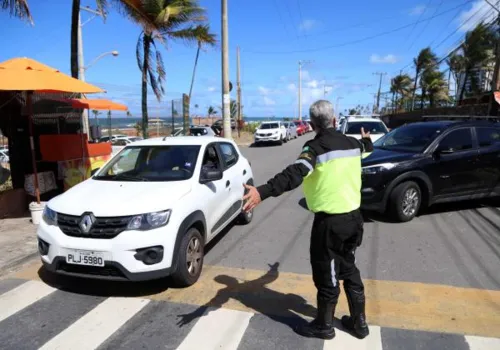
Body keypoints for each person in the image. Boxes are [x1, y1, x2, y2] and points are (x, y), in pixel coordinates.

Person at [242, 100, 373, 340]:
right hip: (355, 220)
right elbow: (367, 148)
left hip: (330, 224)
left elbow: (294, 174)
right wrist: (367, 138)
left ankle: (324, 326)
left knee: (327, 274)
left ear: (312, 125)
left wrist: (261, 191)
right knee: (349, 268)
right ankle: (359, 323)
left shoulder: (315, 148)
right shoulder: (353, 144)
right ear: (334, 121)